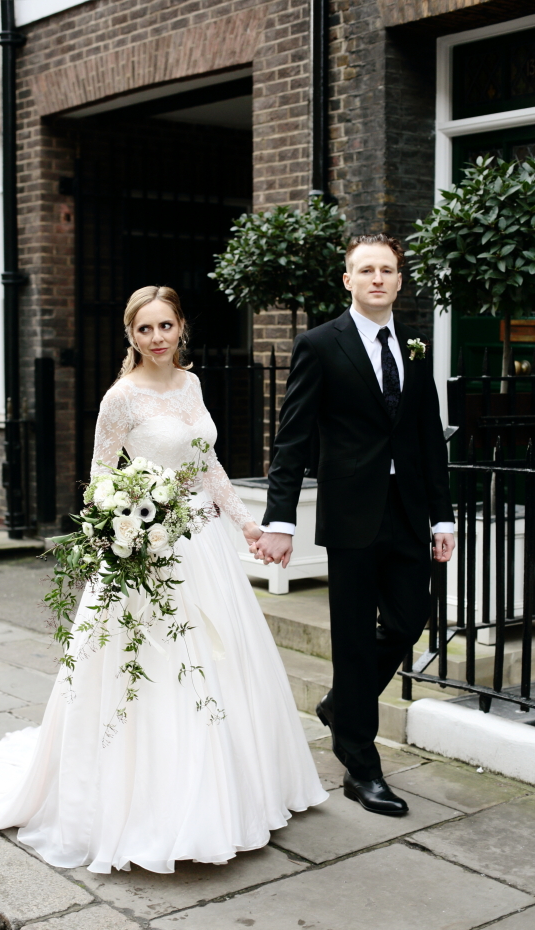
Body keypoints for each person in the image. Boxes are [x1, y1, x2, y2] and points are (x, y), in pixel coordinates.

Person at [0, 285, 327, 874]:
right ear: (131, 336)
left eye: (165, 326)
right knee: (156, 671)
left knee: (223, 665)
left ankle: (234, 792)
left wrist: (246, 524)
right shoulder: (120, 398)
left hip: (204, 547)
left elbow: (207, 465)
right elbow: (98, 476)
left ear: (181, 327)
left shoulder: (192, 384)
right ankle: (152, 808)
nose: (157, 338)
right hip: (147, 550)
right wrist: (118, 533)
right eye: (145, 330)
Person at [253, 234, 454, 817]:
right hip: (350, 513)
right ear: (347, 280)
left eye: (387, 270)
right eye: (365, 269)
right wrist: (280, 520)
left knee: (409, 618)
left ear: (398, 281)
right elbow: (292, 437)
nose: (376, 279)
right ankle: (360, 765)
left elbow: (425, 437)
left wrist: (443, 515)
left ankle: (344, 703)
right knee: (351, 635)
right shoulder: (320, 344)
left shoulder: (416, 347)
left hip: (410, 510)